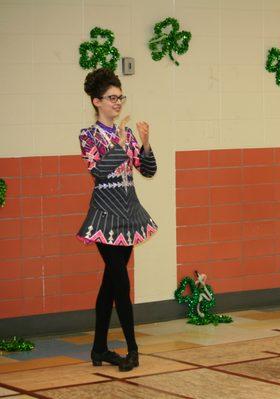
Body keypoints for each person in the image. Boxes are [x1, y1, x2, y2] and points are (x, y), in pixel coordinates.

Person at [78, 68, 158, 372]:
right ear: (97, 101)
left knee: (110, 283)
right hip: (105, 216)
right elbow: (98, 170)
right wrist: (121, 143)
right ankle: (133, 350)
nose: (118, 102)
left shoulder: (126, 134)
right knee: (121, 282)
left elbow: (147, 169)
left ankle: (99, 348)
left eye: (120, 97)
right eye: (112, 98)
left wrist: (145, 142)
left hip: (129, 213)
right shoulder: (88, 136)